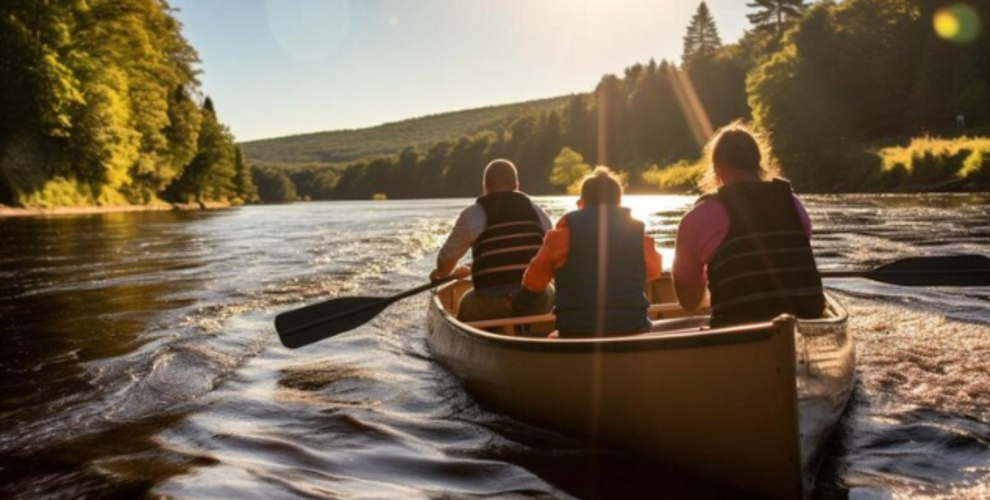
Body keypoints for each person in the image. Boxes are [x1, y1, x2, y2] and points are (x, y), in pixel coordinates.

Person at [672, 122, 824, 329]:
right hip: (806, 322)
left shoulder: (698, 217)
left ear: (717, 168)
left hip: (739, 327)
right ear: (758, 164)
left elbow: (689, 303)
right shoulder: (791, 203)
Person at [514, 167, 662, 338]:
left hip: (575, 331)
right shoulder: (637, 235)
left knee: (551, 336)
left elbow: (533, 281)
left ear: (581, 204)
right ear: (619, 204)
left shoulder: (560, 237)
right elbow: (654, 271)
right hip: (632, 327)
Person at [429, 159, 555, 321]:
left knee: (465, 304)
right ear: (516, 185)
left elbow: (446, 259)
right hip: (534, 302)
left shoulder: (472, 214)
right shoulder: (537, 212)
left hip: (489, 303)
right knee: (551, 291)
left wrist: (441, 274)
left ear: (485, 187)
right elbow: (552, 255)